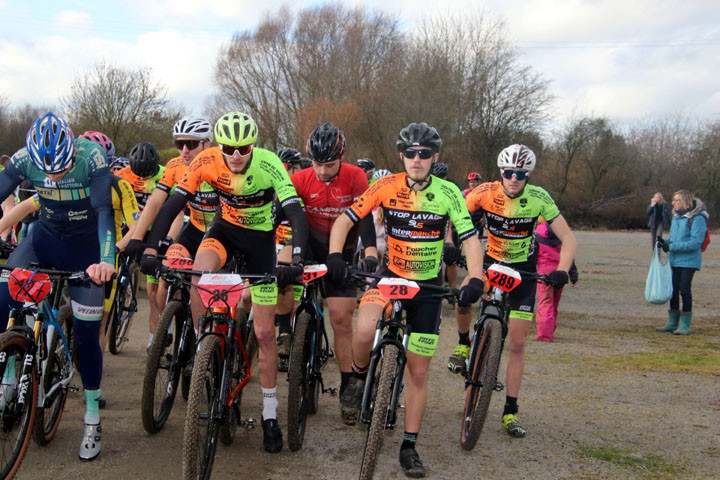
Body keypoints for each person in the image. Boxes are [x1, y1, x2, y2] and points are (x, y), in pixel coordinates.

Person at [138, 112, 309, 454]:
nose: (235, 155)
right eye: (228, 147)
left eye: (243, 148)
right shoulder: (205, 160)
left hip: (260, 242)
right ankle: (208, 345)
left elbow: (294, 212)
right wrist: (149, 249)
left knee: (263, 333)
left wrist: (298, 260)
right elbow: (173, 203)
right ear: (219, 145)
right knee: (199, 272)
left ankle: (270, 413)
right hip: (224, 232)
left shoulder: (269, 164)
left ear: (253, 146)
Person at [328, 122, 485, 478]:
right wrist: (336, 254)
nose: (417, 159)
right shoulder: (385, 185)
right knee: (365, 328)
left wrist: (475, 277)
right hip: (391, 276)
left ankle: (409, 445)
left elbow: (470, 239)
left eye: (424, 154)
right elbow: (345, 219)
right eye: (410, 153)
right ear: (401, 155)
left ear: (434, 157)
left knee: (418, 370)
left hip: (427, 288)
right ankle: (358, 378)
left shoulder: (449, 193)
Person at [0, 112, 115, 461]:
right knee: (4, 299)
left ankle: (92, 415)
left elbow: (104, 212)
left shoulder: (90, 158)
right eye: (45, 171)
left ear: (72, 148)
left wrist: (106, 260)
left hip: (86, 251)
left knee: (86, 336)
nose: (52, 176)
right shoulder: (22, 158)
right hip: (44, 241)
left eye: (60, 168)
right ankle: (9, 367)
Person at [452, 144, 576, 439]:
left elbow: (568, 237)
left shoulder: (538, 198)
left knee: (518, 343)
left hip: (524, 269)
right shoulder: (484, 192)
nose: (514, 178)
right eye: (509, 172)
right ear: (501, 172)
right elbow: (455, 217)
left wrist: (563, 267)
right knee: (463, 297)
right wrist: (450, 243)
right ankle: (462, 344)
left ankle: (510, 411)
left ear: (528, 175)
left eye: (521, 174)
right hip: (491, 262)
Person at [276, 122, 376, 415]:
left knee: (341, 320)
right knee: (282, 264)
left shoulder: (356, 176)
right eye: (318, 164)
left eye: (329, 164)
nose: (322, 171)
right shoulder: (301, 178)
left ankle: (348, 385)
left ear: (341, 158)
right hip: (308, 245)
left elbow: (366, 217)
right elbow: (279, 214)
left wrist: (369, 250)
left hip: (341, 252)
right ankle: (284, 330)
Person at [124, 117, 217, 338]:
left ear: (207, 144)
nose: (184, 150)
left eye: (191, 144)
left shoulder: (219, 165)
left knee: (210, 287)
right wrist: (138, 239)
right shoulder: (175, 166)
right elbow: (156, 202)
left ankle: (208, 339)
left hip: (220, 233)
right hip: (194, 229)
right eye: (179, 144)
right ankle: (165, 331)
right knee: (166, 275)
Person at [117, 142, 183, 351]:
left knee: (155, 292)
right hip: (132, 229)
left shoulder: (167, 174)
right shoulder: (122, 175)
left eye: (148, 175)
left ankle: (154, 339)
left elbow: (177, 213)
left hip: (159, 232)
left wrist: (169, 239)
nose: (143, 180)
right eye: (139, 175)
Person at [655, 190, 708, 335]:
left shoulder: (697, 219)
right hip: (675, 259)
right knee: (673, 291)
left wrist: (671, 247)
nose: (673, 203)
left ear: (686, 201)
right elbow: (674, 238)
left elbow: (695, 243)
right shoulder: (677, 218)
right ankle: (672, 322)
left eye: (677, 200)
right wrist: (663, 242)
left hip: (689, 261)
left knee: (684, 289)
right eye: (673, 200)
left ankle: (685, 324)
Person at [534, 221, 578, 342]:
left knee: (545, 302)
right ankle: (550, 329)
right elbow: (569, 256)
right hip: (561, 271)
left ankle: (544, 334)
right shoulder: (563, 235)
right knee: (554, 303)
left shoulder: (537, 234)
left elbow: (533, 255)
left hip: (544, 272)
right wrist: (573, 274)